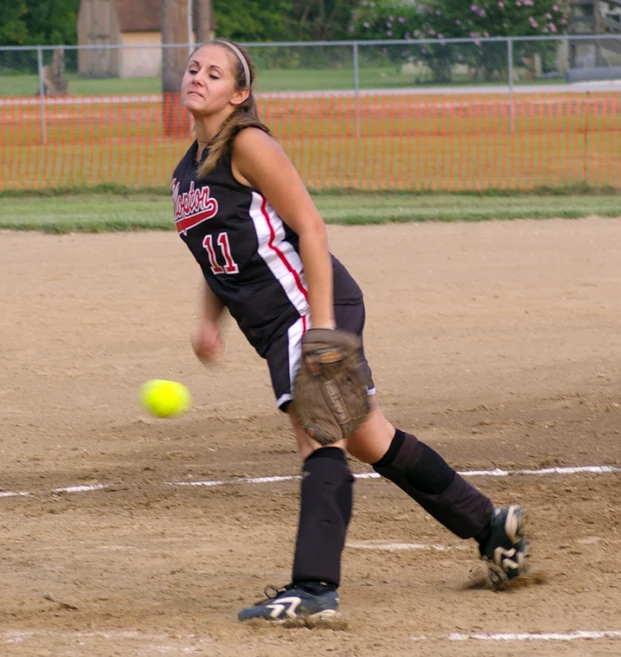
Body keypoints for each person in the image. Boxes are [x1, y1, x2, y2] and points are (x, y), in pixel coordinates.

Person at [171, 38, 529, 624]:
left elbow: (310, 227)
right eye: (193, 68)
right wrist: (209, 324)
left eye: (215, 73)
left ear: (239, 95)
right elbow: (223, 257)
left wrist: (324, 329)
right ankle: (492, 528)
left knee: (319, 437)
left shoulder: (248, 143)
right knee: (370, 438)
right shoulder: (189, 171)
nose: (198, 77)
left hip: (307, 310)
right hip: (278, 321)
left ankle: (314, 587)